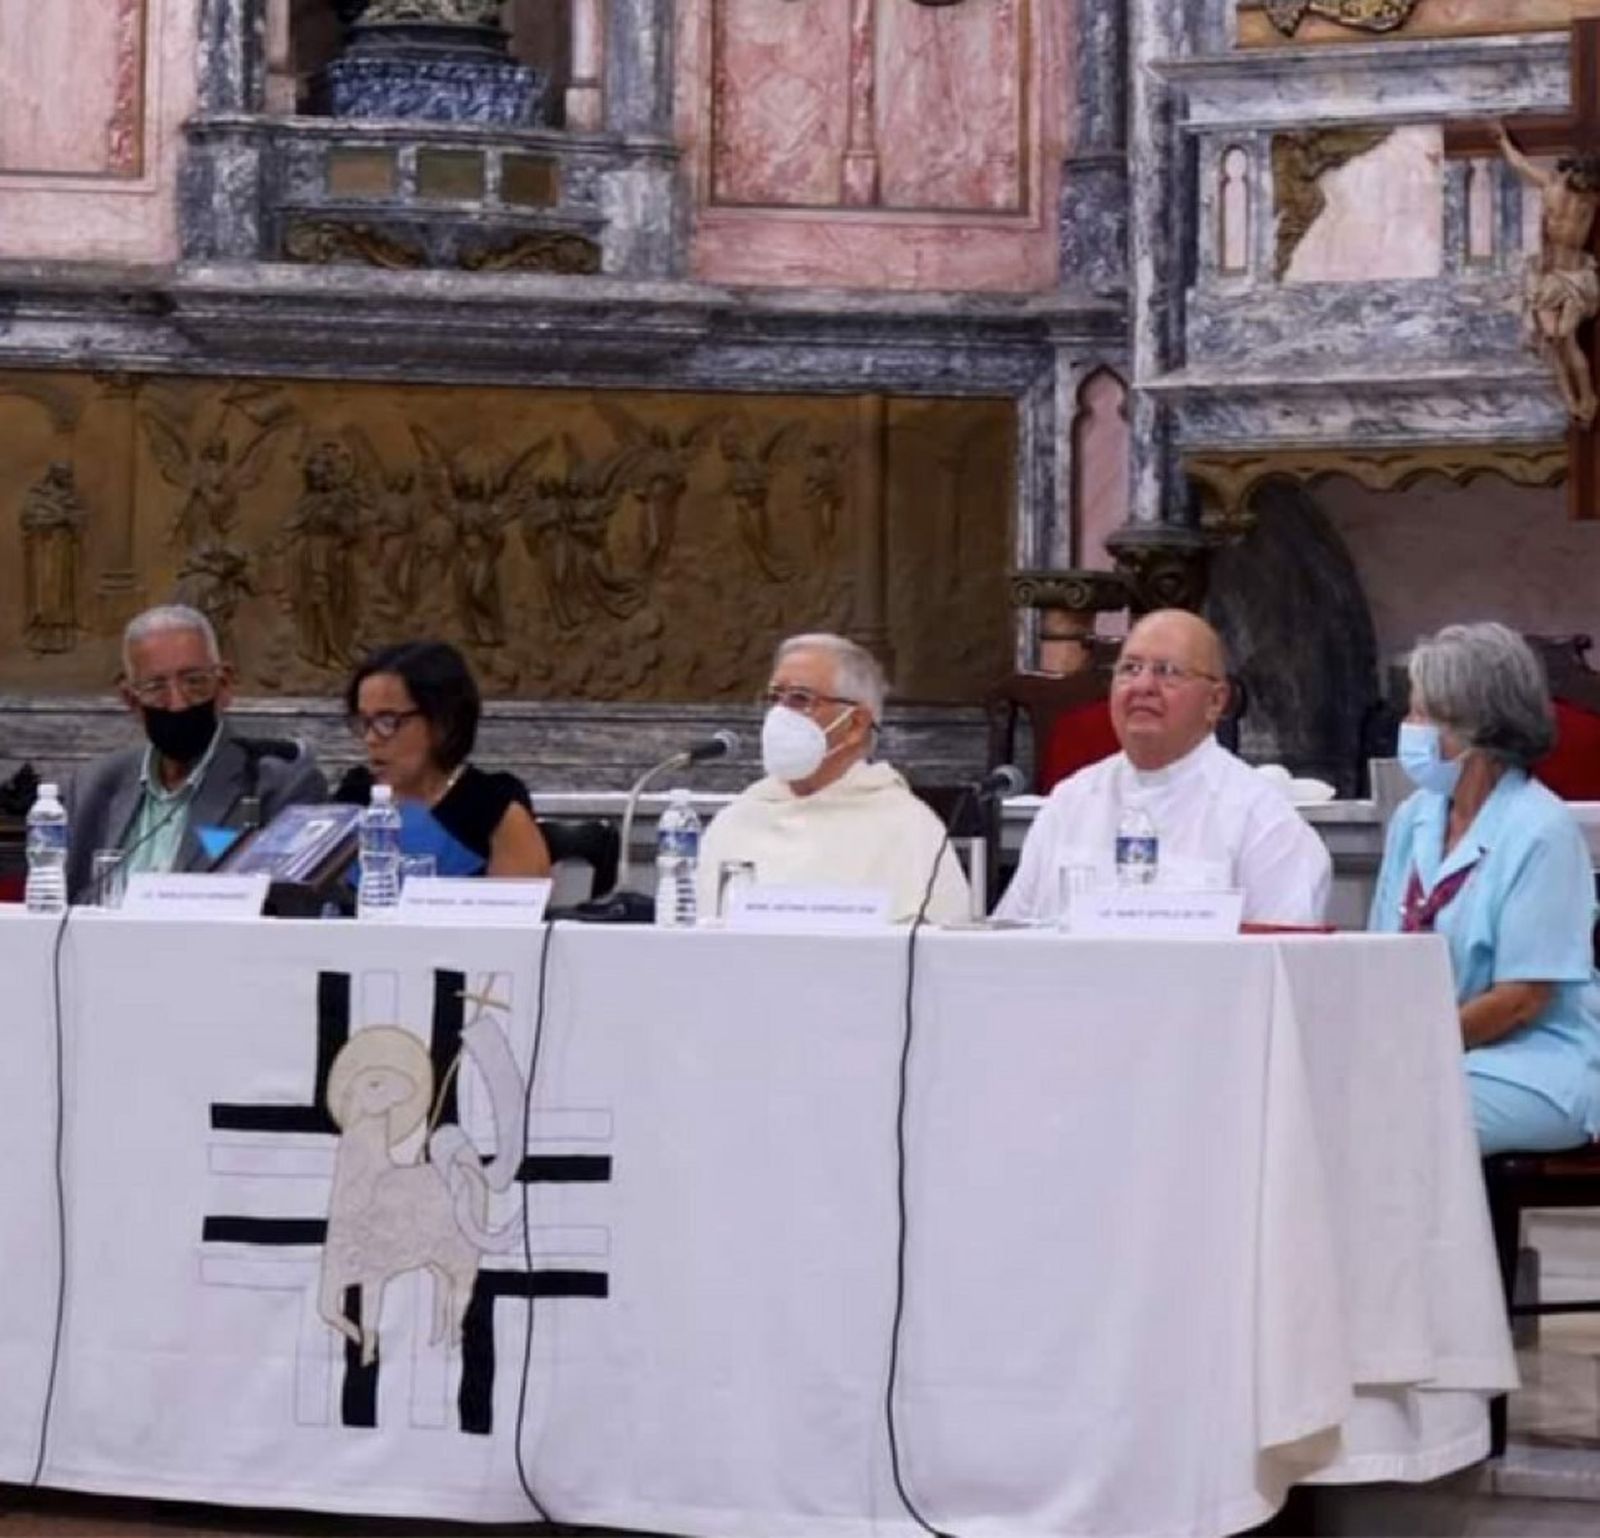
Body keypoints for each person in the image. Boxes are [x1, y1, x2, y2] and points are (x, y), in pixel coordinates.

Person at [1370, 622, 1600, 1155]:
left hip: (1534, 1062)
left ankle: (1447, 1243)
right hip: (1427, 1049)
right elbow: (1381, 950)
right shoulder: (1415, 817)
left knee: (1402, 1114)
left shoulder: (1540, 829)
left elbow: (1522, 1000)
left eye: (1422, 713)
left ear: (1473, 726)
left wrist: (1416, 1046)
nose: (1409, 727)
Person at [997, 609, 1330, 925]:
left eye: (1167, 671)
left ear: (1215, 701)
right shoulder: (1069, 804)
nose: (1143, 687)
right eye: (1129, 669)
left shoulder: (1264, 823)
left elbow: (1275, 965)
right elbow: (1008, 947)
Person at [696, 633, 970, 923]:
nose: (779, 714)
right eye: (774, 697)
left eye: (800, 699)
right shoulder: (737, 820)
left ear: (854, 725)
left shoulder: (908, 827)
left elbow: (943, 952)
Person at [65, 604, 327, 900]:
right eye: (156, 687)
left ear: (224, 685)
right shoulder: (94, 785)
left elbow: (290, 913)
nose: (178, 703)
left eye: (194, 682)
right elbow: (61, 908)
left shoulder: (274, 783)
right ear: (131, 700)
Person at [338, 640, 550, 879]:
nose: (371, 739)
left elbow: (519, 910)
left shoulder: (489, 808)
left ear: (442, 723)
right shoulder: (354, 799)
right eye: (364, 722)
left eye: (387, 722)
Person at [1495, 120, 1600, 425]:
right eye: (1573, 177)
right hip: (1547, 275)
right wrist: (1502, 140)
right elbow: (1519, 163)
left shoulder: (1591, 199)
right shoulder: (1550, 186)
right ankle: (1571, 401)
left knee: (1566, 336)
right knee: (1552, 340)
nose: (1577, 184)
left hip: (1575, 276)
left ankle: (1588, 396)